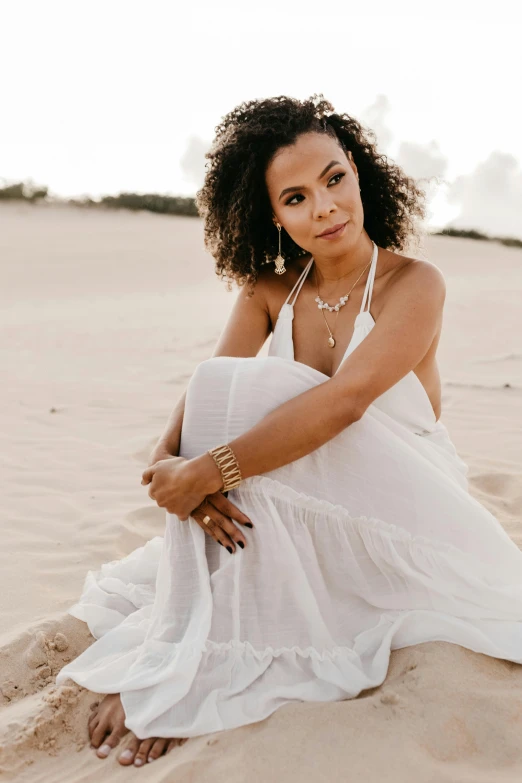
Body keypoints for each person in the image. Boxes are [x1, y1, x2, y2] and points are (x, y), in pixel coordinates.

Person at [56, 94, 522, 768]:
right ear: (272, 214)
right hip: (297, 494)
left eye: (334, 179)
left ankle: (202, 663)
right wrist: (168, 466)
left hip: (409, 501)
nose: (326, 207)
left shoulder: (414, 283)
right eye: (297, 197)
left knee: (270, 398)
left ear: (360, 173)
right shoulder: (268, 290)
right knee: (226, 384)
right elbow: (208, 390)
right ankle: (189, 642)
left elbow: (347, 402)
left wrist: (208, 471)